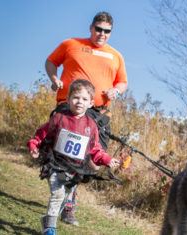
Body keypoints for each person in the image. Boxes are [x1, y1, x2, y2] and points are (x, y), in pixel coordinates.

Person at [45, 11, 128, 225]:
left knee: (93, 159)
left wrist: (116, 92)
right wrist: (54, 79)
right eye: (98, 29)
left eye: (106, 31)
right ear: (91, 28)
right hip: (70, 107)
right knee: (68, 155)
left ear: (111, 33)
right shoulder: (71, 44)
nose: (102, 34)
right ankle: (64, 201)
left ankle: (69, 197)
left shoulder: (116, 55)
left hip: (99, 112)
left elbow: (122, 83)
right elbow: (51, 61)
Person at [27, 79, 120, 235]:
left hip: (75, 170)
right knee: (57, 194)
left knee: (64, 197)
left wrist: (108, 160)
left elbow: (96, 149)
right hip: (55, 164)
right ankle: (50, 228)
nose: (79, 102)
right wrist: (34, 144)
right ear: (69, 99)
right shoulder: (59, 118)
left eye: (84, 99)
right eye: (76, 98)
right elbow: (42, 133)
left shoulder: (91, 126)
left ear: (91, 103)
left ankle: (47, 219)